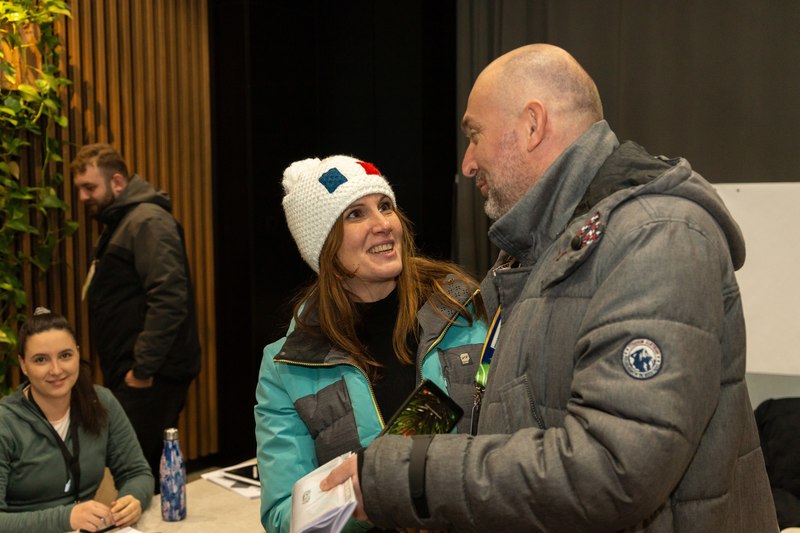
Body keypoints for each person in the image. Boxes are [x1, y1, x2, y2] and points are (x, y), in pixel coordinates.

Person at [320, 44, 780, 532]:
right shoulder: (539, 255)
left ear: (533, 125)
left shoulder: (657, 237)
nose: (468, 163)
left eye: (475, 135)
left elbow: (614, 470)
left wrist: (405, 477)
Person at [254, 155, 489, 533]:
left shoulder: (464, 310)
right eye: (355, 214)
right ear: (324, 245)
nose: (383, 225)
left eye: (385, 206)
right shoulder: (287, 366)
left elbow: (515, 439)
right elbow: (285, 515)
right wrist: (371, 495)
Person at [71, 144, 201, 487]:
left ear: (117, 182)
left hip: (151, 376)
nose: (83, 197)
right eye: (79, 189)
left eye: (89, 187)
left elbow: (169, 298)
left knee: (136, 472)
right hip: (136, 373)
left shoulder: (147, 221)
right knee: (144, 471)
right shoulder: (121, 222)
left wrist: (142, 369)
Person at [0, 308, 153, 532]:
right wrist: (66, 518)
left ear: (77, 354)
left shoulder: (101, 401)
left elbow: (136, 473)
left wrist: (133, 498)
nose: (56, 370)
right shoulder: (5, 422)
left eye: (65, 356)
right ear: (23, 365)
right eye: (41, 359)